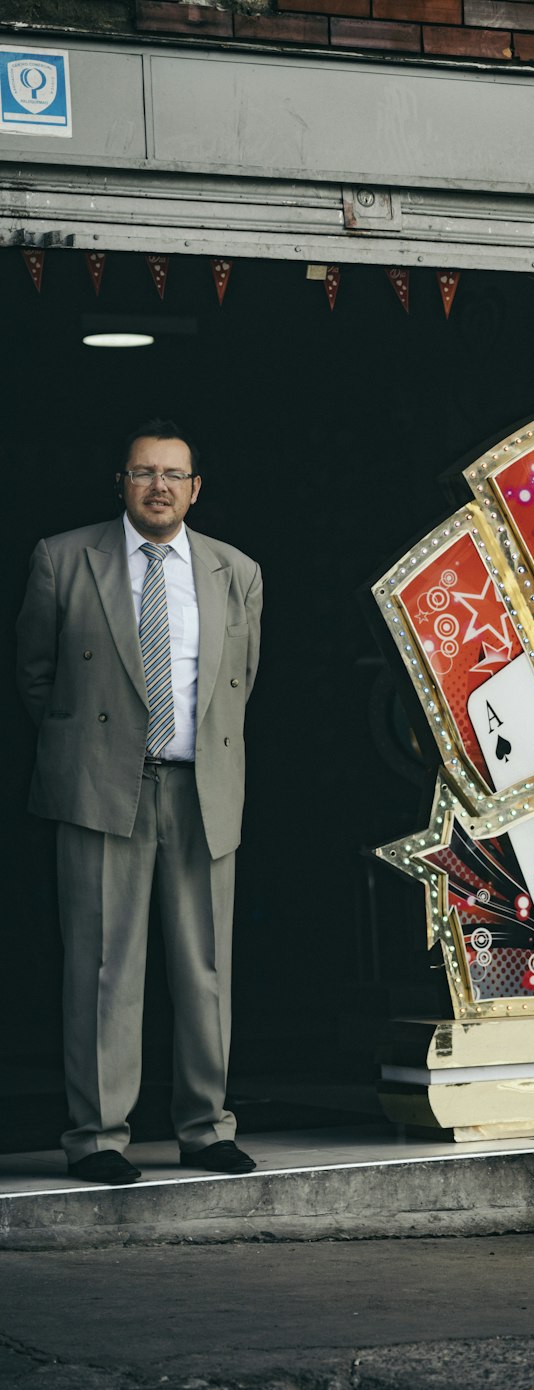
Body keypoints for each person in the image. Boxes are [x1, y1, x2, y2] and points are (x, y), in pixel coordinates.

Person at [16, 419, 262, 1185]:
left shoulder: (236, 570)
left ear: (195, 488)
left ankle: (206, 1126)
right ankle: (97, 1137)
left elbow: (239, 682)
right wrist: (94, 748)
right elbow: (36, 675)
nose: (158, 485)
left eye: (173, 474)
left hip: (200, 786)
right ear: (120, 483)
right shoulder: (64, 558)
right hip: (102, 782)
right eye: (142, 472)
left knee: (205, 965)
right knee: (101, 966)